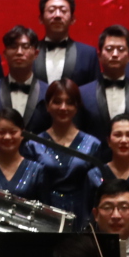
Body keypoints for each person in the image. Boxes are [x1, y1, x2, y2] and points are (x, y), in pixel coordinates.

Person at [28, 78, 101, 219]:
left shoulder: (93, 144)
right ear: (48, 106)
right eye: (57, 102)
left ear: (77, 107)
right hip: (44, 214)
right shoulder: (33, 144)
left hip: (82, 215)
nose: (63, 107)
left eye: (69, 103)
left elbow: (96, 190)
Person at [77, 26, 129, 137]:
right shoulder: (82, 93)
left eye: (121, 49)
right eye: (109, 49)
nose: (114, 54)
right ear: (99, 55)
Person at [0, 24, 49, 131]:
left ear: (36, 53)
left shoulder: (48, 93)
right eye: (13, 47)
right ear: (5, 53)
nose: (19, 52)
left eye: (25, 47)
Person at [0, 109, 49, 202]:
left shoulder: (37, 171)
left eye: (13, 132)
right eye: (1, 132)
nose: (7, 137)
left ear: (23, 133)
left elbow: (44, 207)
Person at [35, 0, 98, 86]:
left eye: (63, 11)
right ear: (41, 19)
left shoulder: (88, 54)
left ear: (72, 19)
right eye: (51, 10)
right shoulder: (29, 52)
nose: (57, 15)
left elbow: (93, 91)